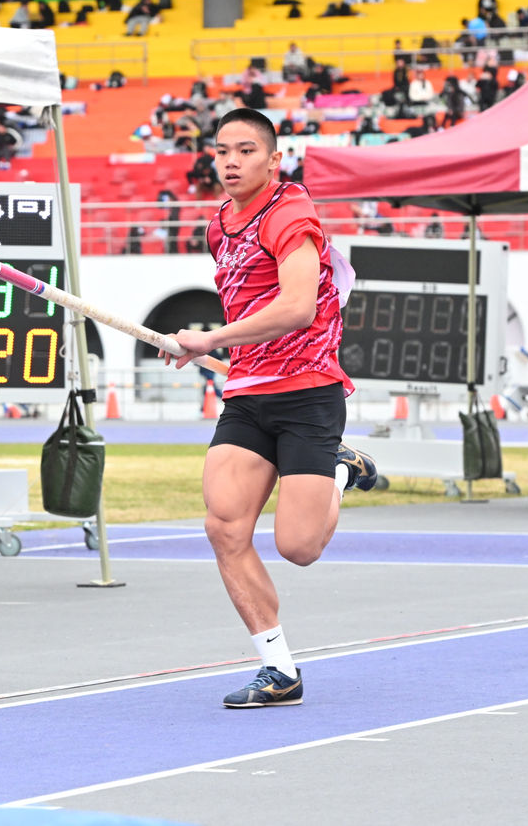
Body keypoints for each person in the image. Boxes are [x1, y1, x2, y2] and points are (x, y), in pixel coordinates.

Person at [158, 109, 377, 708]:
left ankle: (339, 469)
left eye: (246, 150)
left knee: (299, 548)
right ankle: (279, 668)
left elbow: (299, 306)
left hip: (307, 393)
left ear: (274, 159)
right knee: (224, 527)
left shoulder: (289, 214)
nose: (231, 161)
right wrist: (206, 351)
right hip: (249, 395)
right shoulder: (219, 226)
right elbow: (248, 310)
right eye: (222, 150)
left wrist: (210, 337)